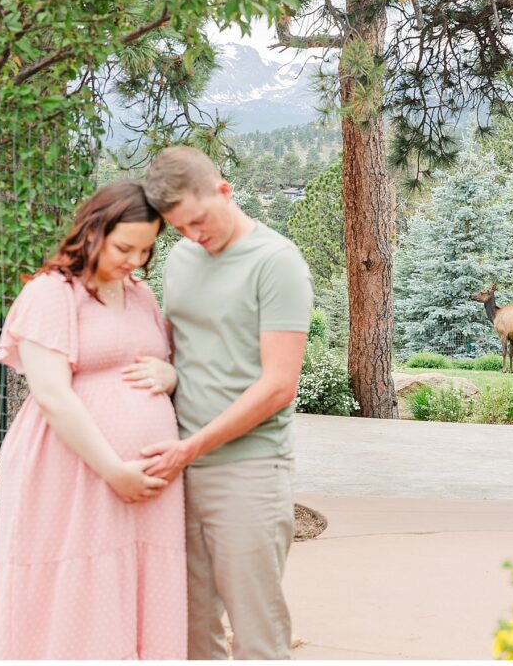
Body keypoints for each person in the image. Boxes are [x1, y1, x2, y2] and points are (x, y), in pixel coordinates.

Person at [0, 181, 187, 659]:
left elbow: (151, 360)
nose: (135, 260)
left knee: (140, 586)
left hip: (146, 490)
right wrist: (114, 470)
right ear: (92, 231)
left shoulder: (139, 294)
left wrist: (171, 373)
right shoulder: (51, 294)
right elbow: (52, 394)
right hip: (74, 471)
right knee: (75, 581)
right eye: (124, 247)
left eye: (145, 250)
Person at [138, 146, 313, 659]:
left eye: (198, 220)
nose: (194, 235)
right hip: (178, 470)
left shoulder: (277, 263)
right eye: (179, 228)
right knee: (190, 630)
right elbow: (174, 348)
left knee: (257, 629)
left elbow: (279, 386)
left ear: (224, 191)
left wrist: (190, 449)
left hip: (249, 469)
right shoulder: (181, 259)